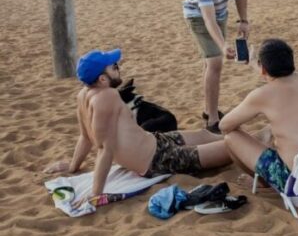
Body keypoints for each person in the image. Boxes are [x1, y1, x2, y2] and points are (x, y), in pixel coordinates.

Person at [43, 49, 232, 203]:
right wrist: (95, 194)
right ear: (102, 79)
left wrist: (73, 166)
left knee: (204, 134)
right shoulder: (107, 96)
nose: (118, 68)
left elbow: (85, 137)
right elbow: (105, 149)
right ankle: (256, 145)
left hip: (156, 141)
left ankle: (255, 140)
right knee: (230, 147)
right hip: (158, 160)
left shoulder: (83, 95)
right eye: (114, 67)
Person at [219, 39, 298, 192]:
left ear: (263, 69)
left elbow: (224, 125)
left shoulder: (263, 95)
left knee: (231, 136)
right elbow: (279, 78)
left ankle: (261, 182)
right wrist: (253, 64)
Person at [183, 0, 250, 133]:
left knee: (210, 62)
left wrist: (244, 20)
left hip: (221, 11)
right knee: (215, 62)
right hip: (198, 14)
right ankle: (212, 119)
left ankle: (207, 109)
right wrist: (222, 44)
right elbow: (207, 18)